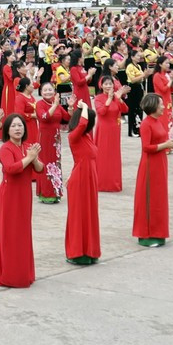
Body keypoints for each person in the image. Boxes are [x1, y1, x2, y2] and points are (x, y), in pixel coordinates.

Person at [0, 113, 43, 288]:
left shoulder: (28, 146)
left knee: (23, 232)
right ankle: (10, 274)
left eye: (20, 125)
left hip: (24, 195)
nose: (17, 129)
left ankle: (23, 271)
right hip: (9, 196)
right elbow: (10, 168)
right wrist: (29, 158)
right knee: (10, 234)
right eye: (13, 126)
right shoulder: (5, 148)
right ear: (7, 129)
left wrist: (34, 158)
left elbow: (40, 169)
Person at [132, 94, 173, 246]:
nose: (164, 107)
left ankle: (159, 232)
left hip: (160, 162)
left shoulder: (158, 122)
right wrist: (166, 145)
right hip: (150, 164)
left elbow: (161, 140)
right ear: (153, 106)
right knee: (150, 198)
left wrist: (169, 143)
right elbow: (146, 147)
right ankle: (147, 234)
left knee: (159, 198)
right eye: (161, 104)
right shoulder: (146, 124)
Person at [62, 100, 102, 264]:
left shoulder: (85, 136)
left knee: (90, 214)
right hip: (81, 179)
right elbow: (83, 122)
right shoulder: (74, 136)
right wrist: (84, 106)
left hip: (89, 178)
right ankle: (77, 252)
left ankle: (90, 250)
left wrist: (76, 108)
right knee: (79, 216)